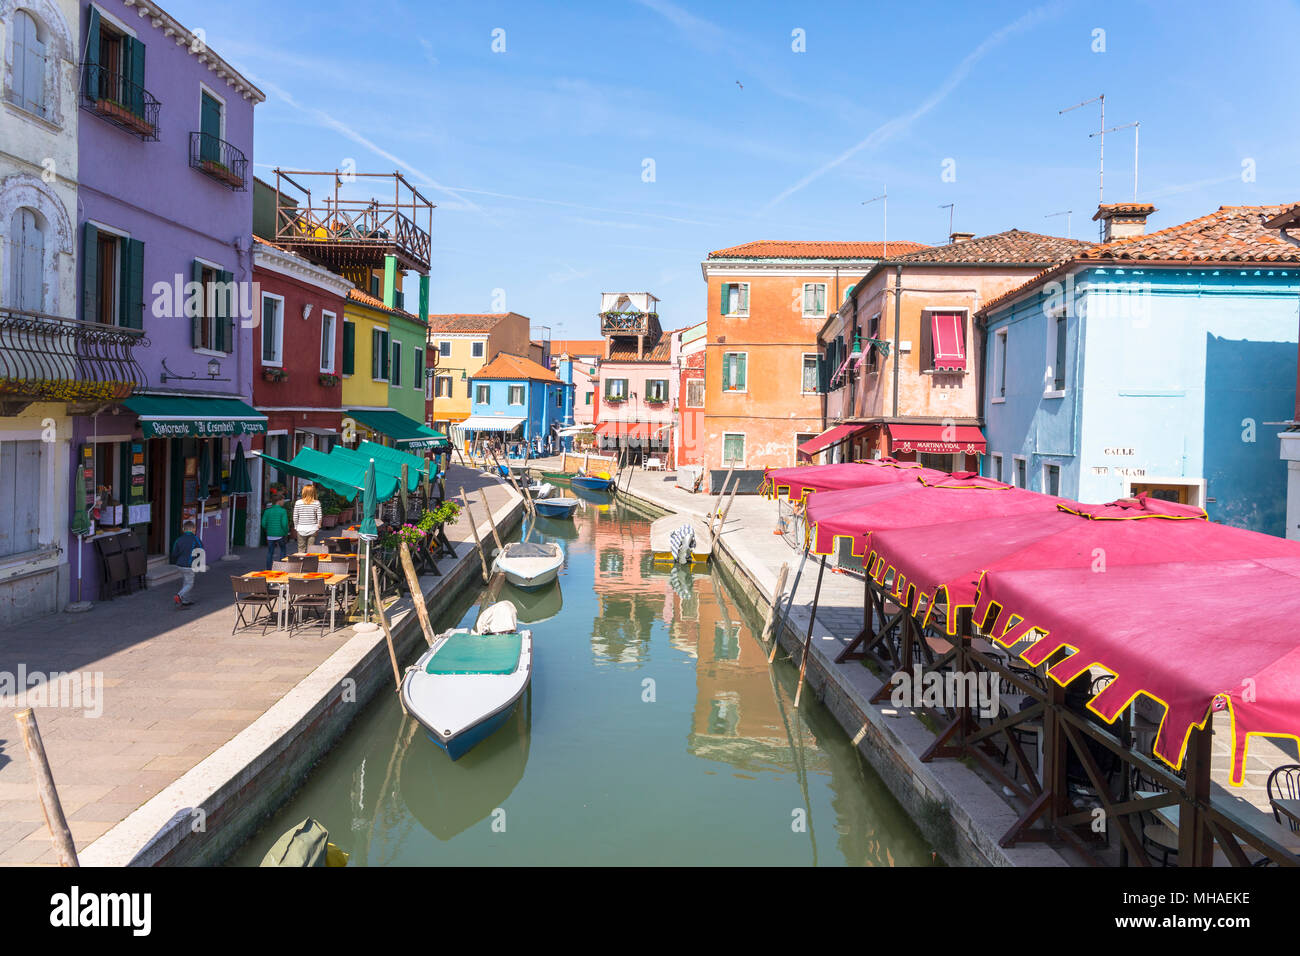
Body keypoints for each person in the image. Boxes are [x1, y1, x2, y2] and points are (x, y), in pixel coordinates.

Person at [169, 519, 203, 607]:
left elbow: (174, 553)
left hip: (180, 564)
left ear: (183, 529)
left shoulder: (178, 539)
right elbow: (201, 550)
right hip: (190, 565)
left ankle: (186, 600)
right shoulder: (195, 539)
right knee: (189, 584)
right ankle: (179, 595)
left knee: (185, 581)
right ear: (194, 529)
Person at [261, 495, 290, 569]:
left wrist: (268, 529)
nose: (283, 502)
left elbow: (263, 523)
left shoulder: (267, 511)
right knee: (283, 550)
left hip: (270, 535)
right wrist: (286, 532)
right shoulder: (283, 511)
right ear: (279, 501)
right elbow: (284, 524)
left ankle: (268, 569)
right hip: (280, 535)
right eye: (283, 500)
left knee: (270, 552)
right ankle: (281, 568)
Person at [293, 483, 323, 553]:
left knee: (301, 548)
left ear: (304, 492)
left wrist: (296, 526)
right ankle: (309, 563)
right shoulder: (317, 503)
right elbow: (319, 516)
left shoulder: (298, 502)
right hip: (312, 528)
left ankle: (300, 563)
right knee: (311, 549)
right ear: (313, 492)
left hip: (301, 528)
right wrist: (319, 524)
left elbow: (295, 516)